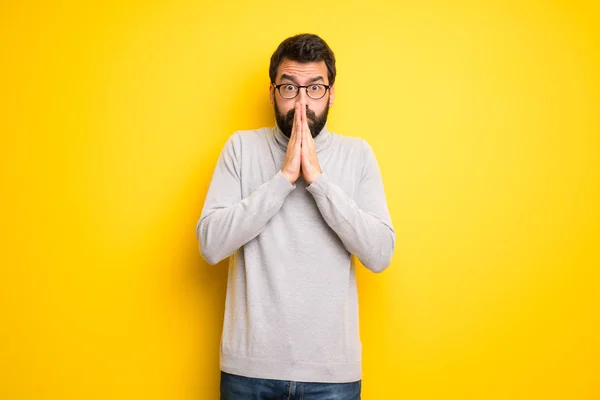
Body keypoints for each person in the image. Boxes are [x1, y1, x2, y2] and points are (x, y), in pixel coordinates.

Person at [196, 33, 395, 400]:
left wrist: (318, 181)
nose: (302, 102)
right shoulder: (241, 148)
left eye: (314, 88)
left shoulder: (358, 155)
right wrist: (284, 179)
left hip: (332, 375)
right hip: (248, 372)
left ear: (331, 93)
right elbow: (210, 244)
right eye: (290, 88)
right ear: (272, 93)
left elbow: (380, 254)